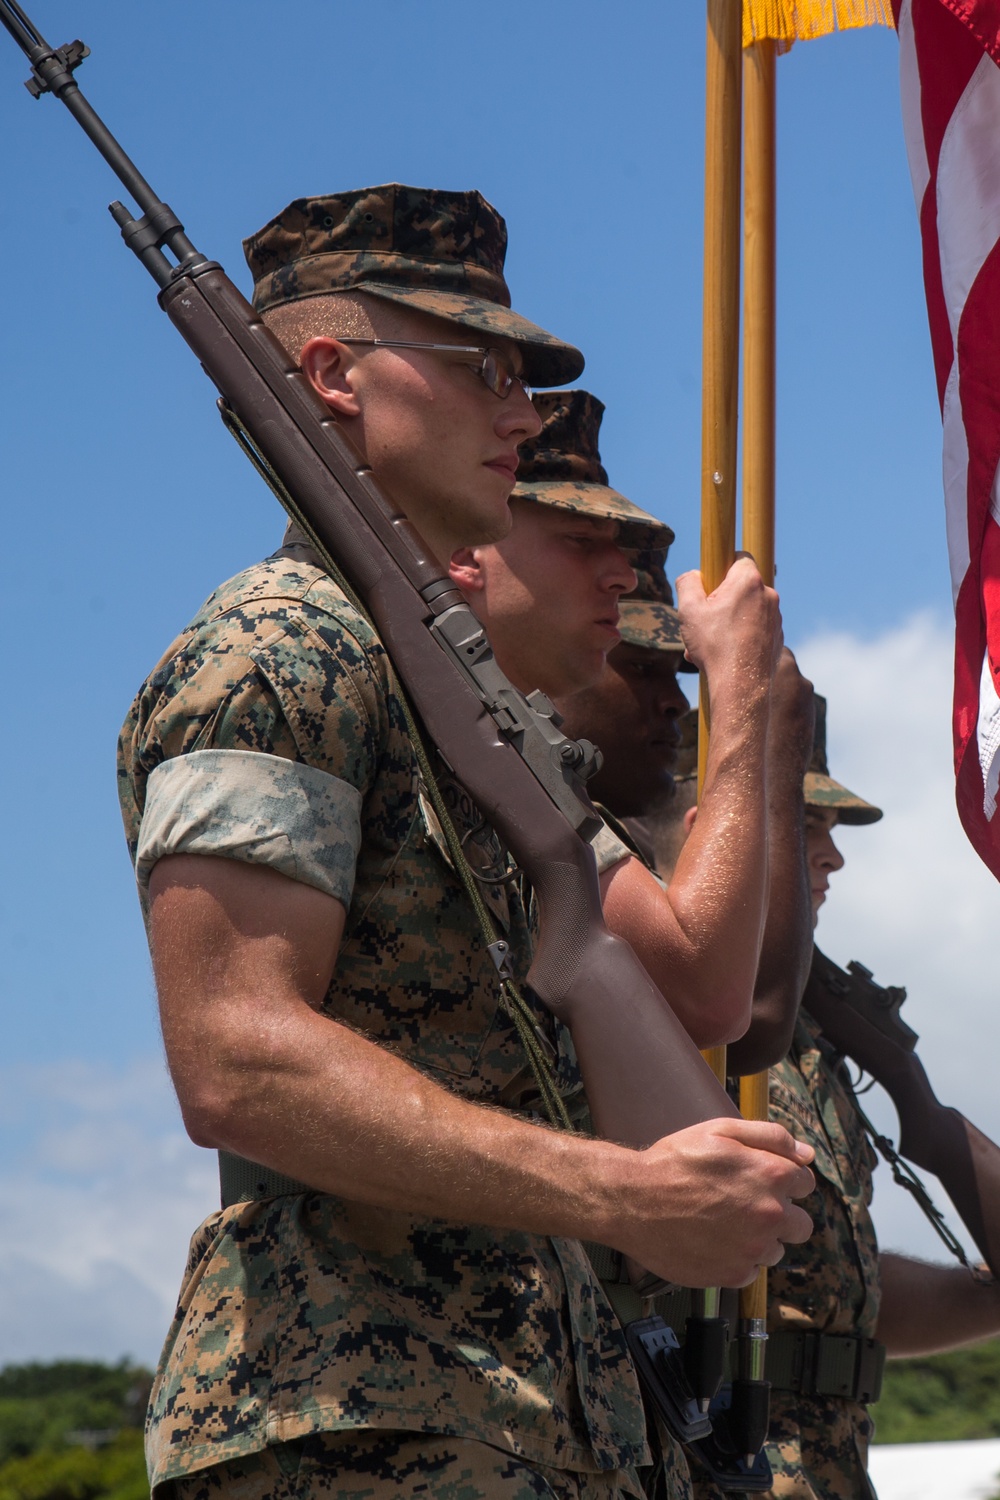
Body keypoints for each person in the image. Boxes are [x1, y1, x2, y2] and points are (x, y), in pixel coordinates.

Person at [117, 186, 815, 1500]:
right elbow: (236, 1056)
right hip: (351, 1418)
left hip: (530, 1410)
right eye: (479, 368)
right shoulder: (275, 654)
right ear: (329, 374)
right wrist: (617, 1192)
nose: (522, 412)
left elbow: (700, 988)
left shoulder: (462, 706)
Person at [655, 699, 1000, 1500]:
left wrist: (919, 1099)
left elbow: (828, 1298)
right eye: (801, 820)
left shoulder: (815, 1030)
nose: (832, 856)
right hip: (706, 1465)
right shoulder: (662, 1002)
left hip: (826, 1470)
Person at [450, 388, 814, 1048]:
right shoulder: (472, 745)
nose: (617, 576)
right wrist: (744, 697)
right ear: (467, 556)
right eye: (580, 540)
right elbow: (738, 1013)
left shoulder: (525, 768)